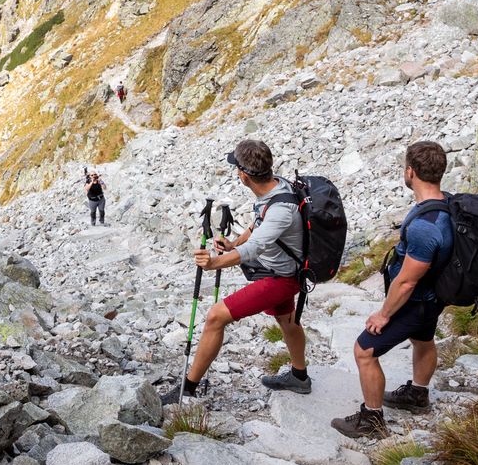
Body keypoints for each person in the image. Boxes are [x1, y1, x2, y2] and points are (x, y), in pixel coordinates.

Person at [162, 139, 311, 404]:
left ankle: (188, 387)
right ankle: (300, 377)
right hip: (285, 270)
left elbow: (255, 247)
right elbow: (258, 227)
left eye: (237, 169)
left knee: (216, 316)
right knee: (287, 322)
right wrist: (233, 243)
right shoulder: (277, 187)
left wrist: (213, 263)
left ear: (243, 176)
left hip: (281, 278)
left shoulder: (280, 210)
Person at [332, 141, 453, 439]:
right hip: (434, 297)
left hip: (415, 300)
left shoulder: (426, 226)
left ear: (410, 172)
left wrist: (384, 314)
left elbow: (408, 281)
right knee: (423, 339)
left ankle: (372, 420)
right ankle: (417, 395)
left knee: (364, 350)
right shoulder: (446, 203)